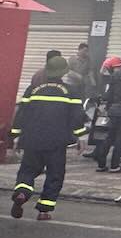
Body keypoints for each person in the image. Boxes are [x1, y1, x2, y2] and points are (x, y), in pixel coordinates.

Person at [8, 56, 88, 220]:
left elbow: (21, 114)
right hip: (56, 141)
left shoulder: (32, 89)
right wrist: (81, 136)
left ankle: (22, 192)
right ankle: (44, 210)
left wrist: (16, 135)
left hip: (32, 138)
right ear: (63, 72)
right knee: (55, 174)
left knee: (28, 169)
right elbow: (76, 116)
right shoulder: (71, 91)